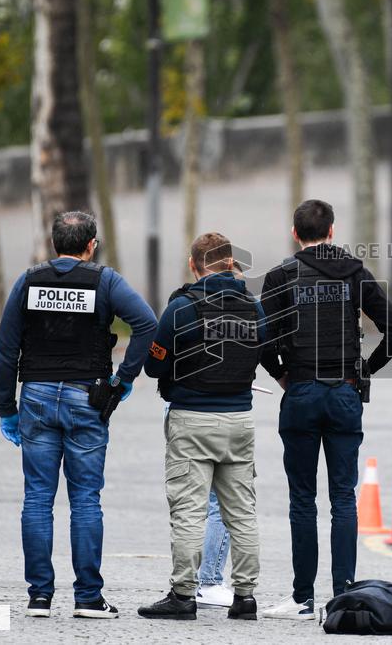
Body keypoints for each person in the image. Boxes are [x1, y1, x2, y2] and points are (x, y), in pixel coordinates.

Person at [0, 211, 156, 619]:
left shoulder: (29, 281)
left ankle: (39, 597)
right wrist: (122, 381)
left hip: (36, 395)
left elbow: (6, 346)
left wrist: (6, 407)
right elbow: (147, 323)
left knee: (37, 498)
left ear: (54, 245)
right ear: (91, 246)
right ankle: (87, 597)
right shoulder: (105, 280)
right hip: (88, 395)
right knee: (85, 500)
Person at [259, 200, 392, 619]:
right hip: (345, 393)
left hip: (302, 392)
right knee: (344, 497)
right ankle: (343, 593)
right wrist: (364, 370)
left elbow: (260, 339)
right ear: (331, 232)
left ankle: (302, 599)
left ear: (295, 234)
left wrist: (281, 375)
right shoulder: (355, 275)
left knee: (302, 500)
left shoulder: (280, 277)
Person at [138, 232, 265, 621]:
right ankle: (245, 597)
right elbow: (263, 349)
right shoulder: (254, 308)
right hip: (240, 418)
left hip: (192, 418)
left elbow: (154, 364)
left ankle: (183, 595)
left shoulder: (182, 307)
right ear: (230, 262)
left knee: (190, 510)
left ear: (193, 265)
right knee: (241, 512)